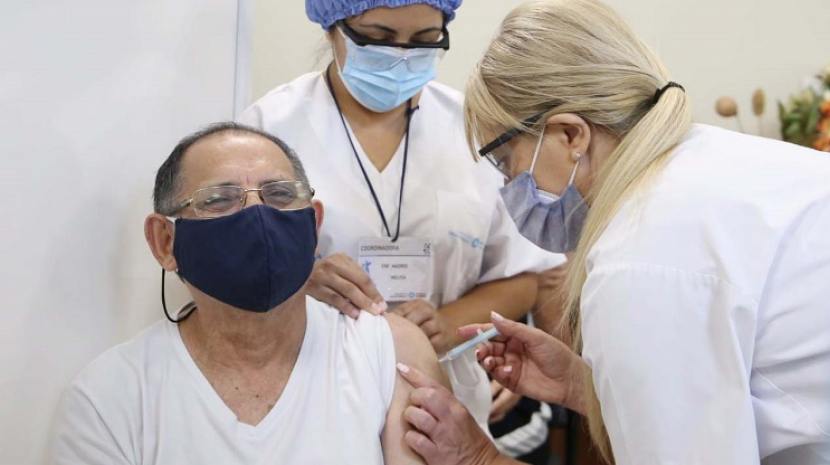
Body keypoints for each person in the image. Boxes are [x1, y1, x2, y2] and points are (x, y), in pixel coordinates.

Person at [394, 0, 830, 464]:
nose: (507, 186)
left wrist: (479, 457)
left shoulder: (639, 262)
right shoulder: (714, 164)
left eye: (505, 162)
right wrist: (588, 388)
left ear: (571, 135)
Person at [238, 0, 562, 429]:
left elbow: (525, 275)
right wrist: (299, 282)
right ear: (333, 28)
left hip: (440, 392)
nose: (401, 57)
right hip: (306, 389)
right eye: (378, 38)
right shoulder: (270, 129)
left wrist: (446, 324)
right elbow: (229, 273)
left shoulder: (474, 131)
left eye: (425, 41)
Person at [49, 122, 448, 465]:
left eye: (280, 195)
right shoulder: (109, 398)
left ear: (313, 225)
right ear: (165, 241)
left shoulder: (389, 352)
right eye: (219, 200)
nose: (259, 216)